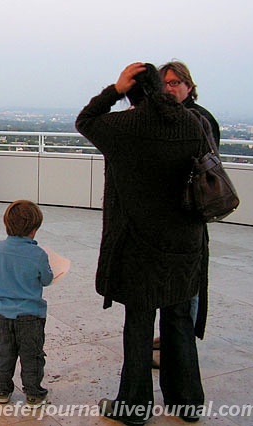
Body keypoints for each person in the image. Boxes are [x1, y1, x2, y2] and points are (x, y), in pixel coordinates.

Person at [76, 63, 209, 425]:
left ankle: (134, 407)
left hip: (139, 244)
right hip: (185, 240)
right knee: (179, 319)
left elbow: (85, 120)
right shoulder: (191, 123)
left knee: (138, 325)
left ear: (132, 92)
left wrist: (114, 89)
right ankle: (188, 403)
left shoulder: (125, 127)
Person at [153, 61, 219, 364]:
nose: (169, 88)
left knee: (187, 286)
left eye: (175, 82)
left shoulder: (198, 120)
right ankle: (172, 338)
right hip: (168, 216)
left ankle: (180, 346)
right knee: (172, 284)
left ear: (188, 87)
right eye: (164, 83)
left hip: (188, 217)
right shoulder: (168, 118)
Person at [0, 200, 54, 406]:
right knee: (32, 355)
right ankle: (33, 392)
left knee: (4, 353)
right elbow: (47, 279)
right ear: (34, 230)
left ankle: (1, 390)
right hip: (30, 316)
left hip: (2, 314)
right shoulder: (38, 254)